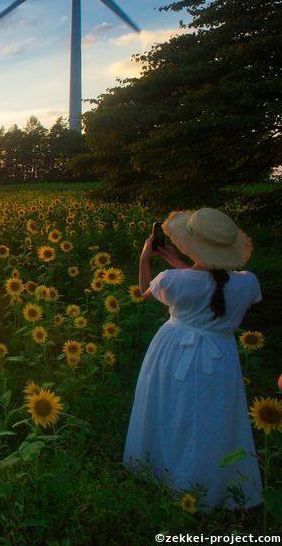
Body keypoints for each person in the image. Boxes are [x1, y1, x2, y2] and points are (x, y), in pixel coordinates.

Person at [124, 207, 263, 511]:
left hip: (173, 351)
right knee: (214, 416)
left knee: (170, 410)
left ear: (191, 243)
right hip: (220, 357)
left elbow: (143, 291)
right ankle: (211, 485)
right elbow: (212, 282)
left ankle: (165, 473)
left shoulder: (170, 280)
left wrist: (146, 256)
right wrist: (176, 261)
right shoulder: (247, 282)